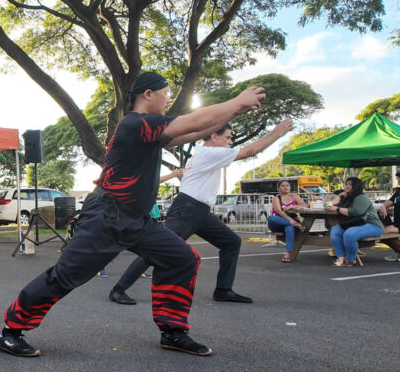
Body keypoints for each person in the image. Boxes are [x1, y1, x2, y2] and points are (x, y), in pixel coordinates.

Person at [0, 71, 266, 358]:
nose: (168, 99)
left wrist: (232, 111)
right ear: (148, 94)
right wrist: (237, 101)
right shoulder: (135, 123)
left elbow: (192, 132)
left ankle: (173, 331)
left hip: (136, 220)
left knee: (182, 258)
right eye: (166, 93)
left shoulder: (149, 132)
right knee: (65, 276)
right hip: (106, 217)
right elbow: (193, 121)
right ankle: (10, 331)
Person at [109, 118, 294, 306]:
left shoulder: (203, 153)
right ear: (213, 135)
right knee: (158, 249)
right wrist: (277, 132)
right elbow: (250, 151)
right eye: (228, 137)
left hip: (200, 211)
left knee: (231, 242)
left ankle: (223, 290)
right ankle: (119, 289)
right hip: (187, 210)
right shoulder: (208, 153)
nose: (230, 142)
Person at [326, 177, 384, 266]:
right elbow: (332, 204)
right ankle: (341, 258)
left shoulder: (362, 197)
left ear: (356, 186)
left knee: (349, 234)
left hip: (372, 225)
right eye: (346, 184)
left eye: (350, 184)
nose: (347, 186)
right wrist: (340, 196)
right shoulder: (348, 197)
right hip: (356, 224)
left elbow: (355, 212)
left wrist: (337, 209)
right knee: (335, 230)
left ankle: (350, 260)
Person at [266, 180, 307, 263]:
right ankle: (297, 225)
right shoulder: (276, 198)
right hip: (277, 223)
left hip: (291, 224)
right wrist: (292, 221)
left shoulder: (294, 196)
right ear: (278, 188)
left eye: (287, 185)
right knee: (270, 218)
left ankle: (288, 254)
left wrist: (292, 207)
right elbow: (278, 211)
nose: (286, 187)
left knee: (289, 228)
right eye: (283, 186)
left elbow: (304, 205)